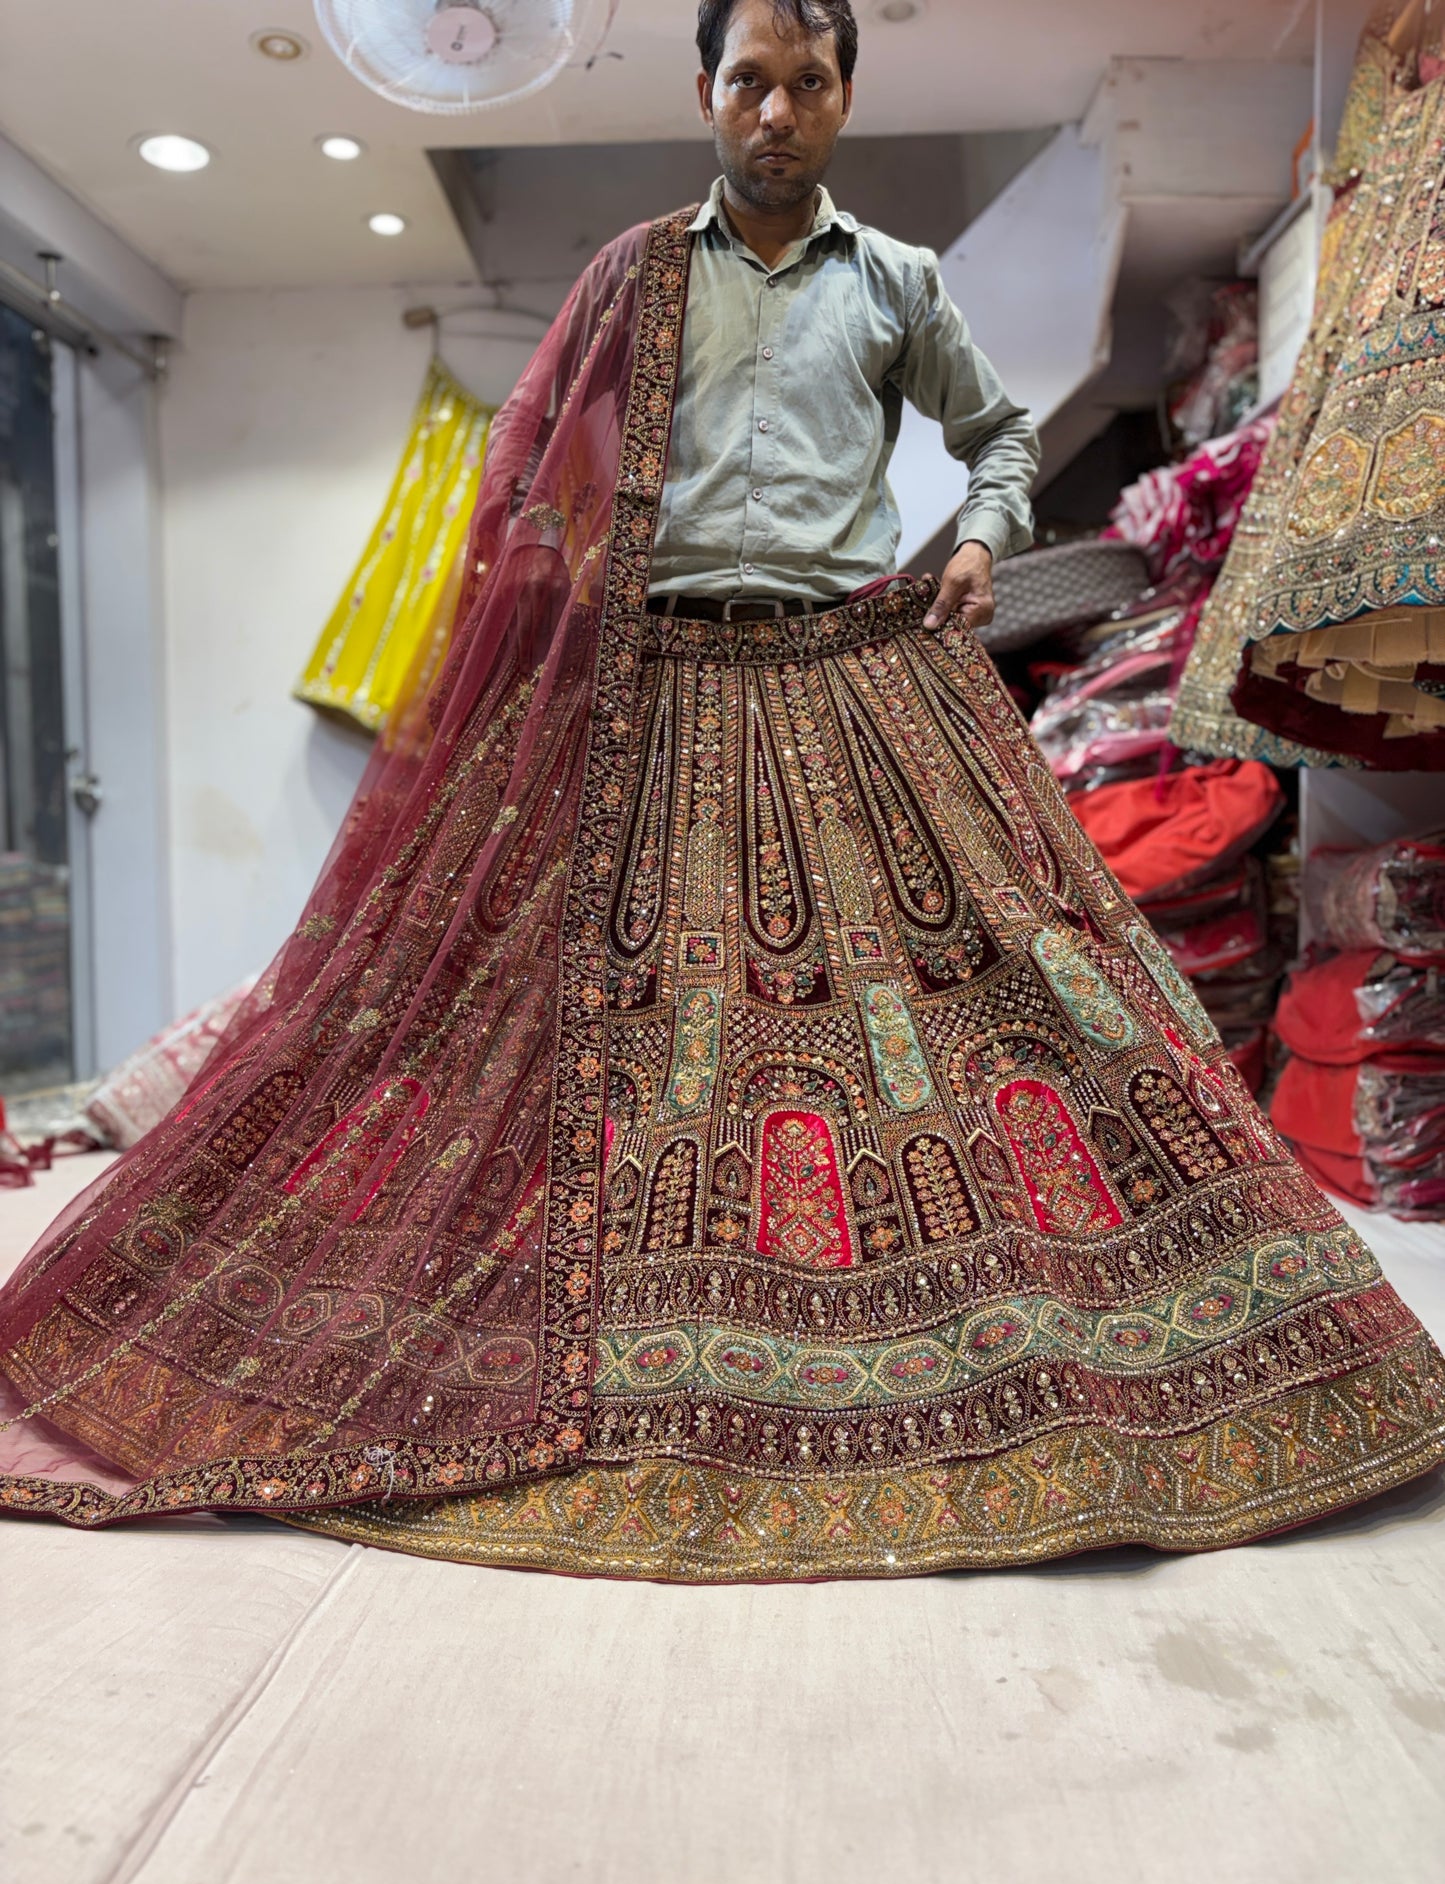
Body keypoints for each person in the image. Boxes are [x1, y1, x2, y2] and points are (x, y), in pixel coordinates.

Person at [1, 0, 1440, 1580]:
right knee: (613, 1030)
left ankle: (955, 1329)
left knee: (982, 1001)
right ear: (706, 90)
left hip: (845, 675)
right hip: (656, 694)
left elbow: (999, 437)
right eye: (747, 80)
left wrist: (976, 536)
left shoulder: (894, 281)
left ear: (840, 96)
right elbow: (545, 466)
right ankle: (642, 1347)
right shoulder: (637, 271)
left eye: (807, 81)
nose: (774, 110)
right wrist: (562, 593)